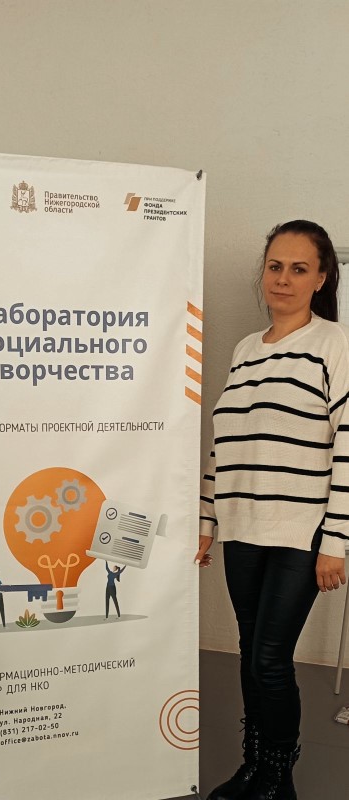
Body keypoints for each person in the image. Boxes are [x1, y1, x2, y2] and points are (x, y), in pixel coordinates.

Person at [196, 220, 348, 800]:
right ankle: (253, 765)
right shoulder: (244, 350)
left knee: (270, 660)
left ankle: (278, 776)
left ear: (321, 278)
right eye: (275, 266)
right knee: (249, 654)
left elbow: (347, 444)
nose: (283, 278)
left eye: (299, 268)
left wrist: (336, 542)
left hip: (300, 531)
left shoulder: (334, 344)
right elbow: (225, 443)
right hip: (242, 528)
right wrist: (208, 519)